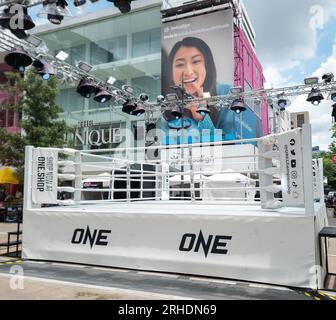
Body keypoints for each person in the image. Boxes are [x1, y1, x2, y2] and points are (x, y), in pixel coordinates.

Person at [162, 37, 232, 143]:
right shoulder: (163, 105)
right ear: (170, 73)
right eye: (180, 64)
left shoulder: (226, 94)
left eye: (195, 61)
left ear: (207, 67)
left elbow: (228, 145)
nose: (188, 72)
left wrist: (202, 117)